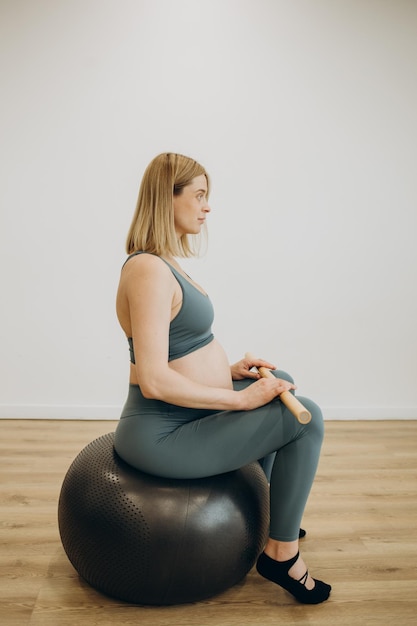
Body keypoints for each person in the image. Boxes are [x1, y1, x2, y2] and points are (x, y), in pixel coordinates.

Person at [114, 152, 331, 605]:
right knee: (307, 420)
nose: (207, 207)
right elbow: (152, 379)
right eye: (198, 195)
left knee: (284, 381)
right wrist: (242, 400)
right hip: (163, 431)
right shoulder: (148, 269)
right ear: (166, 198)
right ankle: (281, 554)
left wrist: (228, 374)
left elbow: (176, 351)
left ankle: (271, 512)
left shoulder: (163, 262)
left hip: (183, 415)